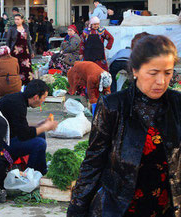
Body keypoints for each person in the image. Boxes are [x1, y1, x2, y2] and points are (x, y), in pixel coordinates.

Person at [68, 35, 180, 217]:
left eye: (167, 73)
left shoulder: (177, 105)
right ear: (135, 70)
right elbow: (93, 162)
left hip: (166, 207)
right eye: (153, 73)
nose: (161, 81)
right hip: (121, 207)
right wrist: (76, 210)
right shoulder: (113, 105)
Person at [0, 80, 58, 175]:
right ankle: (30, 175)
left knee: (40, 134)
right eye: (44, 98)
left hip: (9, 136)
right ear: (35, 97)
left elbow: (21, 126)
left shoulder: (18, 99)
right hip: (1, 147)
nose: (43, 101)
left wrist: (41, 125)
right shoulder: (17, 104)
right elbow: (24, 135)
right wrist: (45, 127)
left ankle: (41, 171)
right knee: (39, 143)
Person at [6, 14, 34, 85]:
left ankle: (27, 84)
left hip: (25, 51)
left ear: (22, 20)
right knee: (16, 67)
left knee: (27, 68)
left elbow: (28, 40)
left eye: (18, 19)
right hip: (15, 52)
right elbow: (8, 41)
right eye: (15, 19)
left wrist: (31, 51)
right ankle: (16, 84)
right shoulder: (11, 28)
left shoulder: (26, 27)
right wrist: (7, 51)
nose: (16, 21)